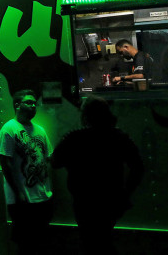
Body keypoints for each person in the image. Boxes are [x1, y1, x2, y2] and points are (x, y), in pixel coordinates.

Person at [51, 96, 144, 255]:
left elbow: (55, 162)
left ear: (85, 115)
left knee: (91, 242)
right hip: (112, 199)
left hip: (84, 200)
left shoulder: (75, 138)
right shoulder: (118, 136)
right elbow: (138, 167)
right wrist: (126, 193)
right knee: (103, 239)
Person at [0, 89, 53, 254]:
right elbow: (5, 162)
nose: (33, 106)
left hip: (42, 196)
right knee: (26, 244)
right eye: (28, 102)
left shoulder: (40, 130)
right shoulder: (9, 129)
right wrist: (18, 192)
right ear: (17, 105)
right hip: (22, 200)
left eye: (34, 103)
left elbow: (48, 157)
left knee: (41, 242)